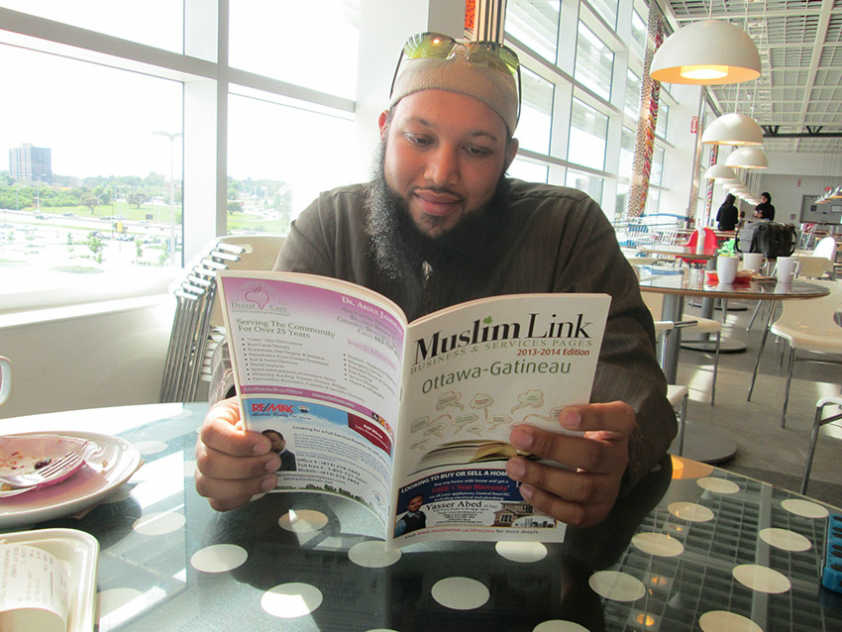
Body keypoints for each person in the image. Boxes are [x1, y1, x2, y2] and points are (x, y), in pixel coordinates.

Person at [195, 31, 676, 528]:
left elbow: (634, 382)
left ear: (508, 157)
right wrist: (233, 433)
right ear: (385, 130)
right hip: (339, 529)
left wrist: (616, 455)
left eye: (477, 149)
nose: (442, 172)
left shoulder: (568, 231)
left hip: (523, 541)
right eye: (420, 139)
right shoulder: (329, 225)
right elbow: (254, 366)